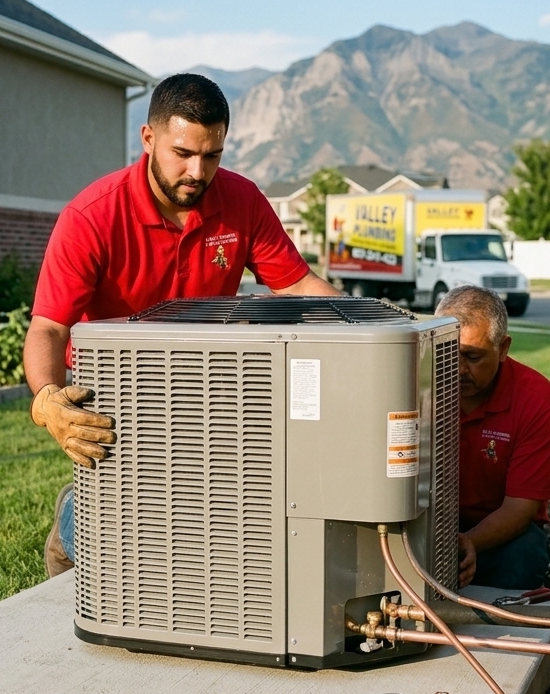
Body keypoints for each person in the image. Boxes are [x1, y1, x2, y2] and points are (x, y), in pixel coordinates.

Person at [24, 73, 341, 576]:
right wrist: (46, 399)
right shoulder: (91, 217)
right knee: (125, 537)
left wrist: (370, 325)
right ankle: (75, 517)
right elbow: (49, 327)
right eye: (183, 153)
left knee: (205, 522)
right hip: (115, 391)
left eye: (212, 155)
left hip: (205, 379)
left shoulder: (242, 201)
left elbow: (299, 287)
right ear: (148, 139)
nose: (198, 171)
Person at [434, 286, 550, 590]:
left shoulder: (538, 402)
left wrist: (469, 543)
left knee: (524, 554)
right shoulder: (409, 384)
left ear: (503, 348)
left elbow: (521, 509)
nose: (458, 368)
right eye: (447, 352)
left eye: (472, 356)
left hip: (498, 528)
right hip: (424, 520)